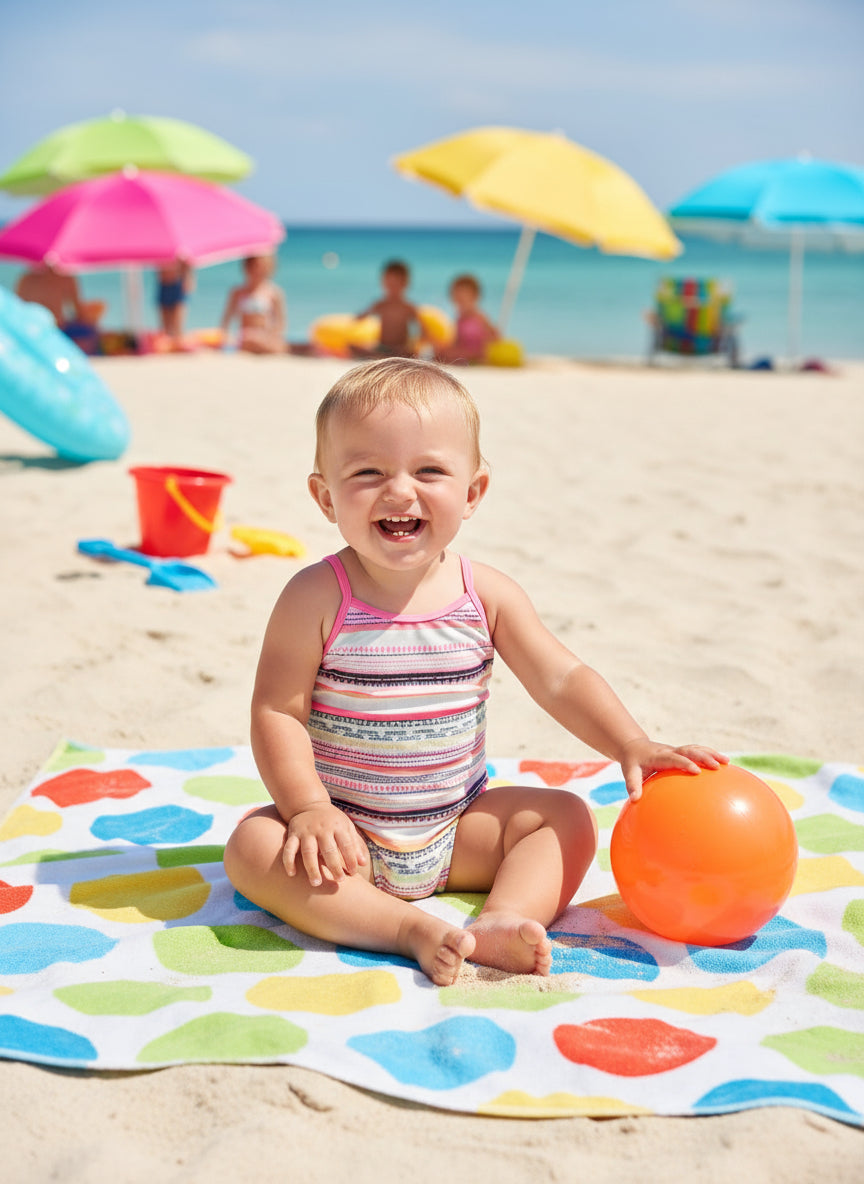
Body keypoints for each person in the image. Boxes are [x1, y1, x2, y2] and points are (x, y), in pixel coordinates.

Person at [224, 358, 727, 986]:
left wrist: (630, 742)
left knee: (565, 818)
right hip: (341, 835)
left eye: (429, 471)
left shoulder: (486, 595)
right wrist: (306, 809)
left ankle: (502, 920)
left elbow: (561, 679)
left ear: (473, 492)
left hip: (458, 829)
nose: (400, 491)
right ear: (326, 496)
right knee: (251, 847)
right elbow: (278, 711)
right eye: (368, 472)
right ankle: (403, 928)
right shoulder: (314, 597)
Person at [15, 263, 104, 353]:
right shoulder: (64, 277)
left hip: (30, 328)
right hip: (56, 328)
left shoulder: (26, 279)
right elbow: (78, 311)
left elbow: (17, 310)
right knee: (91, 331)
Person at [354, 259, 421, 357]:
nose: (392, 288)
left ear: (405, 284)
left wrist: (415, 345)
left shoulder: (408, 307)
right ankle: (380, 354)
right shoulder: (380, 304)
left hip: (400, 347)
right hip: (382, 346)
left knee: (407, 352)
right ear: (383, 283)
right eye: (389, 284)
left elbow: (421, 330)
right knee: (355, 347)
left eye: (396, 284)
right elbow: (361, 318)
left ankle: (382, 355)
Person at [220, 255, 287, 354]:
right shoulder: (237, 292)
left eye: (262, 267)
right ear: (247, 267)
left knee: (278, 345)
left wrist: (271, 335)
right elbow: (226, 318)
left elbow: (280, 323)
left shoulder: (274, 293)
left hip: (264, 336)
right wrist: (223, 337)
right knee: (248, 339)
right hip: (245, 336)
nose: (258, 270)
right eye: (254, 266)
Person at [437, 274, 499, 364]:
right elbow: (456, 342)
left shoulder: (480, 317)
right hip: (465, 355)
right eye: (458, 299)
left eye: (464, 298)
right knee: (439, 353)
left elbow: (496, 338)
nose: (461, 303)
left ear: (475, 297)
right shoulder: (459, 320)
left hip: (477, 355)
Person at [156, 260, 194, 341]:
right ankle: (171, 343)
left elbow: (188, 265)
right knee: (165, 327)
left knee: (177, 325)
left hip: (177, 284)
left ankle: (177, 341)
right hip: (164, 285)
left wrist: (188, 279)